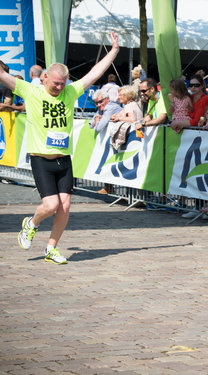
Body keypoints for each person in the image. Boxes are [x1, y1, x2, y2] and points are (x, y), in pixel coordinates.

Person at [2, 31, 120, 264]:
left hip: (63, 159)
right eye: (55, 83)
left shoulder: (70, 91)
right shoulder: (30, 90)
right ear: (44, 77)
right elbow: (2, 75)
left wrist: (114, 51)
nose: (58, 88)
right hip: (41, 159)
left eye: (62, 84)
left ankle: (51, 248)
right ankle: (31, 223)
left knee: (65, 205)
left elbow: (93, 74)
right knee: (51, 204)